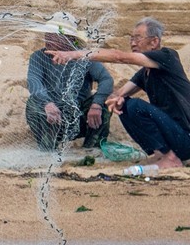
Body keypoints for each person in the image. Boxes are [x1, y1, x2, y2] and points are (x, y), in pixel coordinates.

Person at [48, 16, 189, 170]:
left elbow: (119, 57)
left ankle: (170, 158)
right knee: (124, 105)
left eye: (138, 38)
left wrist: (72, 54)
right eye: (131, 38)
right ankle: (161, 154)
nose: (133, 42)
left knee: (135, 104)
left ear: (154, 42)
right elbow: (119, 94)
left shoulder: (167, 57)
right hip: (175, 139)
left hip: (185, 138)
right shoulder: (145, 73)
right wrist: (116, 100)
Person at [25, 11, 112, 150]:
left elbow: (106, 80)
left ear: (69, 38)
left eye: (53, 34)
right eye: (47, 33)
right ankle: (47, 147)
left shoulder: (83, 56)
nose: (47, 37)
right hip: (52, 117)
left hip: (81, 116)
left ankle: (92, 148)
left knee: (106, 101)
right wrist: (47, 104)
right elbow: (33, 82)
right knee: (33, 102)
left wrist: (96, 105)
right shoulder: (38, 57)